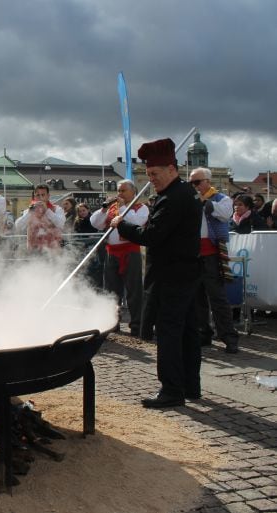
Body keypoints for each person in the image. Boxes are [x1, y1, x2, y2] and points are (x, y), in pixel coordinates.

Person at [111, 138, 202, 408]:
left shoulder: (173, 198)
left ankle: (172, 390)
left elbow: (152, 235)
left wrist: (122, 225)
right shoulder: (185, 192)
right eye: (148, 175)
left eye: (155, 174)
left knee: (170, 333)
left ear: (172, 169)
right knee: (188, 331)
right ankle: (190, 385)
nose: (152, 180)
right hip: (185, 272)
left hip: (171, 275)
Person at [90, 180, 149, 336]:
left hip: (131, 251)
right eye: (118, 190)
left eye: (123, 190)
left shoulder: (141, 207)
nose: (119, 194)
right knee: (111, 289)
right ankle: (112, 322)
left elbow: (136, 222)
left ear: (133, 192)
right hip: (112, 251)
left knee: (134, 289)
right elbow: (95, 223)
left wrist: (122, 207)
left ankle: (137, 324)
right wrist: (104, 209)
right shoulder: (112, 208)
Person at [190, 167, 239, 354]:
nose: (194, 186)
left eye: (197, 182)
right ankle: (204, 333)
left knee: (217, 297)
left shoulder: (222, 198)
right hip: (194, 253)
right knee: (197, 297)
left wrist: (204, 202)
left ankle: (228, 336)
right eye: (191, 183)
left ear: (207, 182)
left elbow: (224, 214)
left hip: (211, 253)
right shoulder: (192, 200)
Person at [14, 184, 65, 252]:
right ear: (34, 197)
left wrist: (47, 210)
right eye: (38, 195)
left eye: (43, 195)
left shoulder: (57, 209)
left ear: (48, 196)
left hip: (53, 250)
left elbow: (61, 224)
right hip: (34, 250)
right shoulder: (29, 211)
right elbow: (18, 226)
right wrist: (30, 213)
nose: (40, 197)